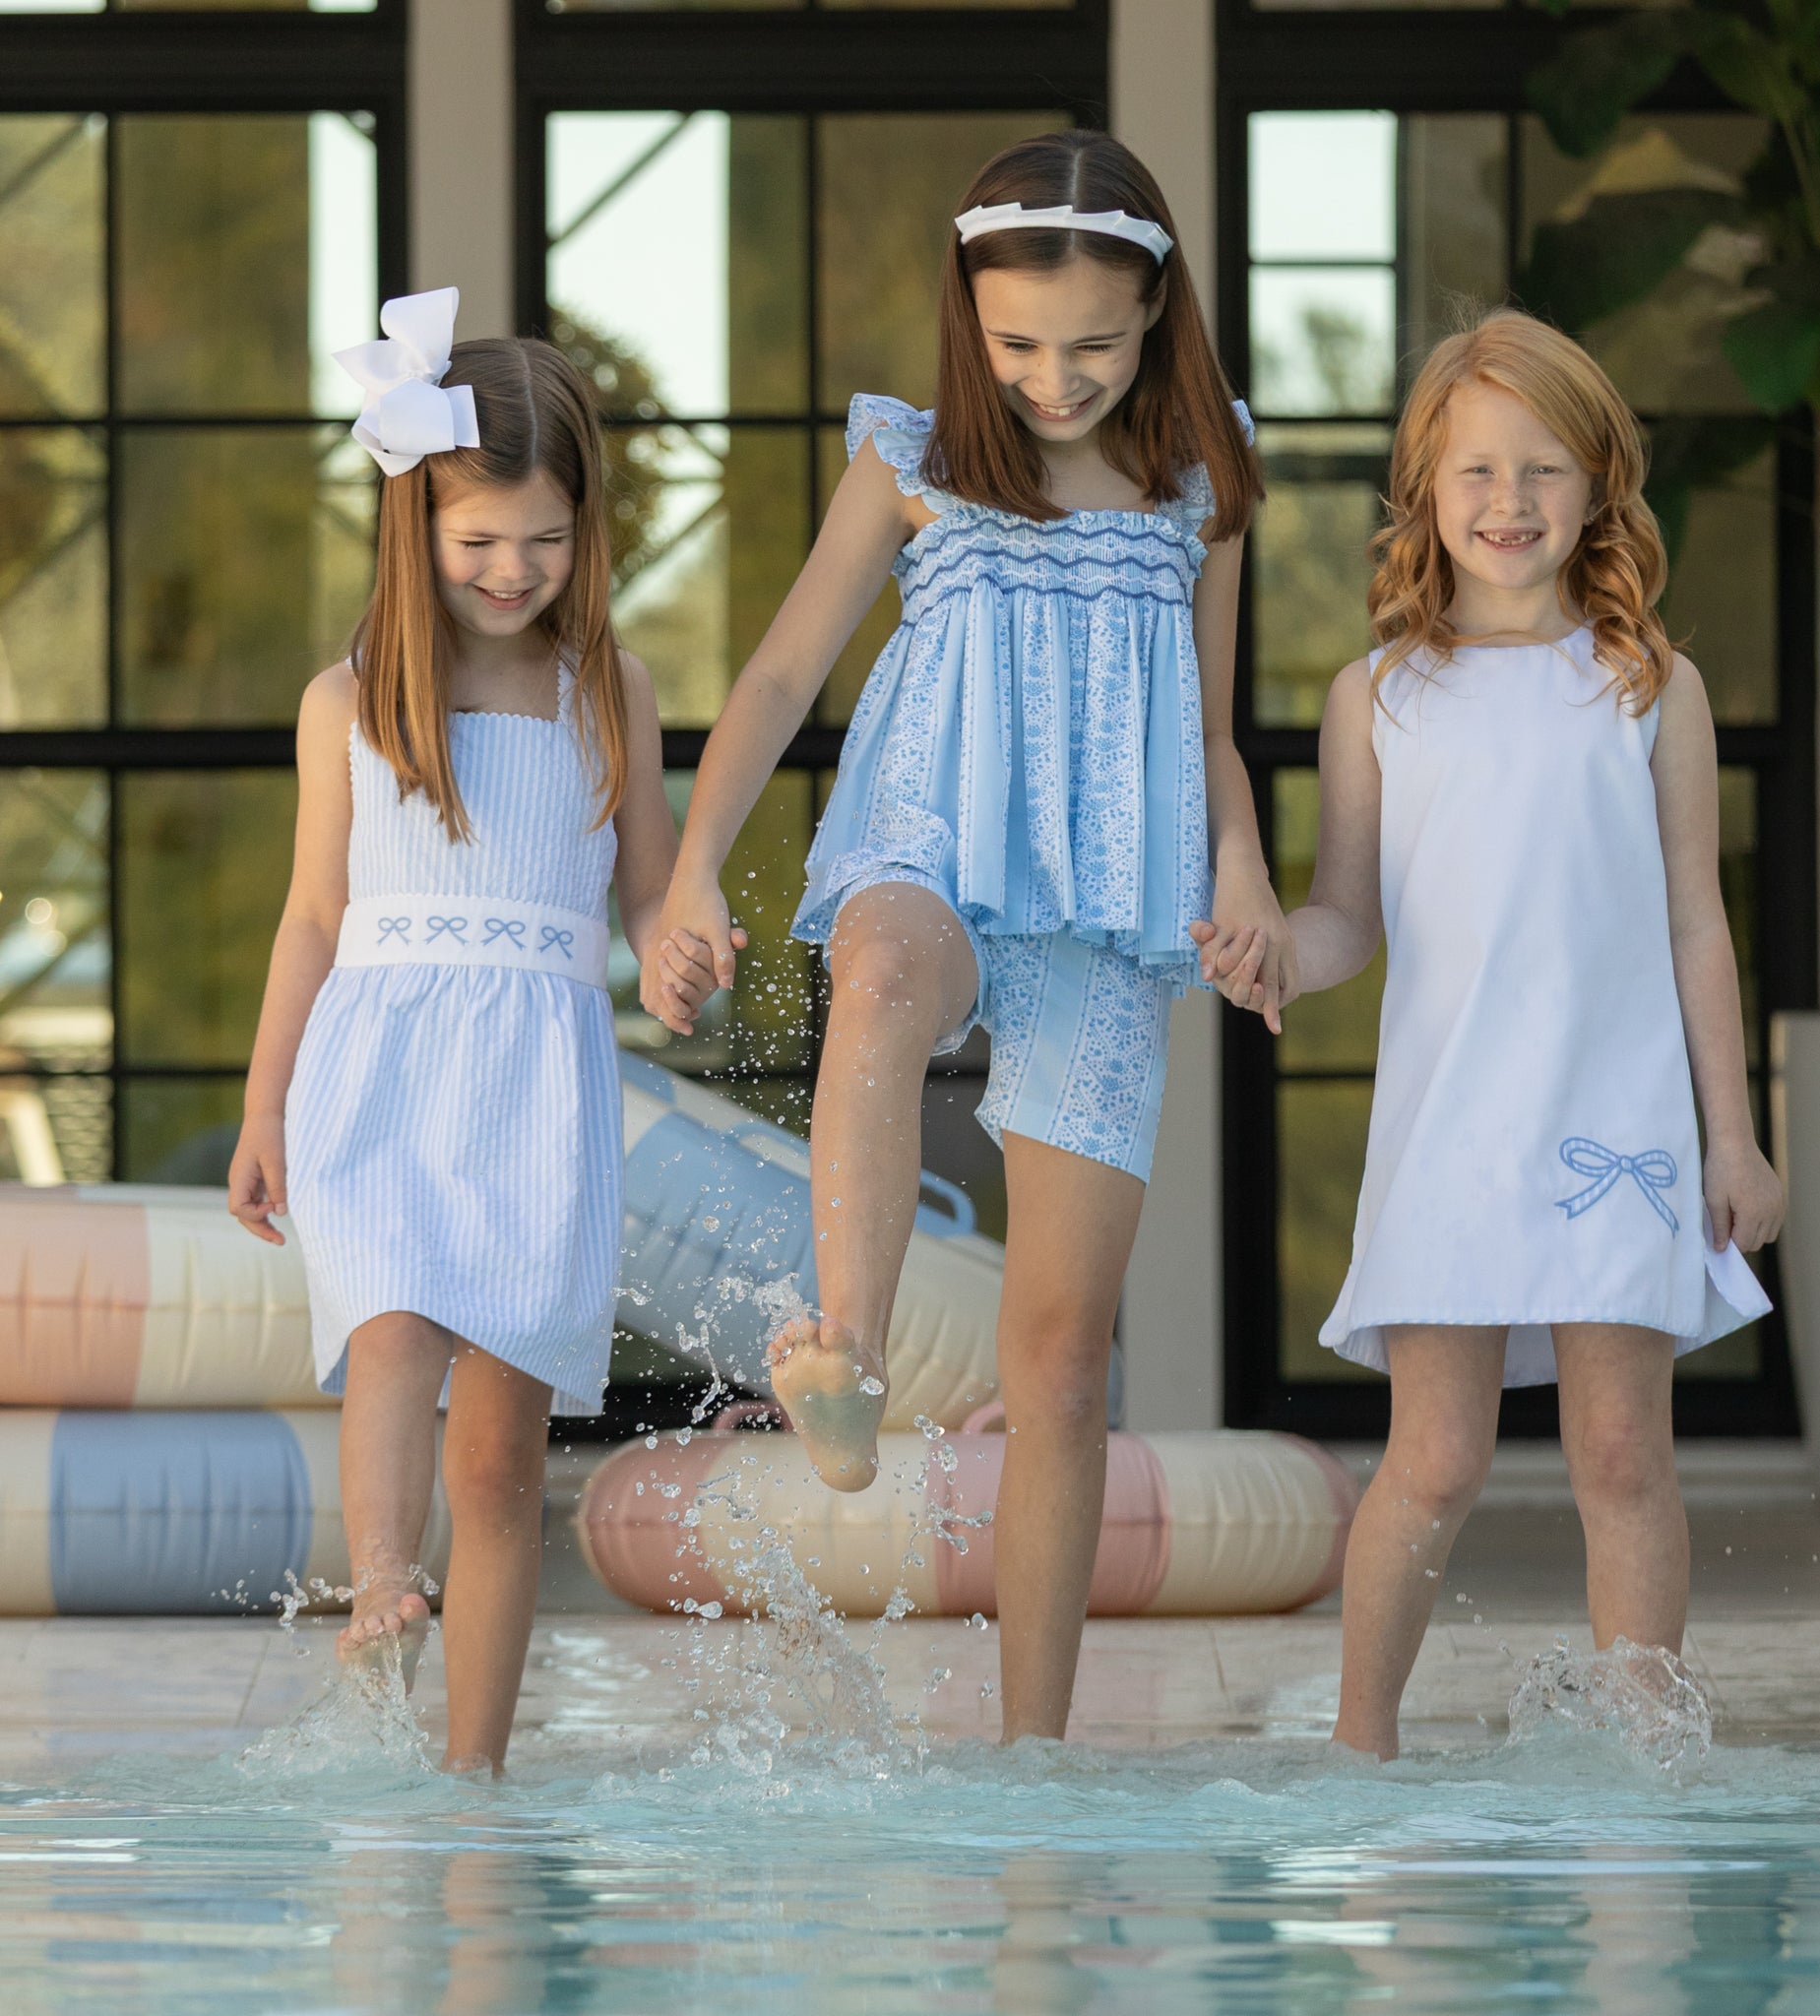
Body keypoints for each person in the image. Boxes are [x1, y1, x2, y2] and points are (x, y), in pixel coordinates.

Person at [652, 131, 1279, 1741]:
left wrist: (1251, 874)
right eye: (1016, 347)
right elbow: (786, 673)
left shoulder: (1198, 492)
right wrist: (692, 870)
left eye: (1093, 346)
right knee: (875, 973)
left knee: (1063, 1360)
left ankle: (1033, 1752)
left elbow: (1213, 733)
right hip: (926, 835)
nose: (1051, 380)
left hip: (1108, 906)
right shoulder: (915, 456)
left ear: (1158, 318)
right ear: (967, 321)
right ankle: (845, 1349)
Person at [1199, 309, 1783, 1759]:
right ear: (1425, 492)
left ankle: (1650, 1754)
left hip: (1620, 1125)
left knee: (1622, 1453)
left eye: (1543, 470)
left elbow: (1698, 921)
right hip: (1451, 1131)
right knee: (1438, 1455)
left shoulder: (1652, 688)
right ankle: (1359, 1747)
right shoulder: (1380, 696)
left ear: (1598, 489)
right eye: (1475, 472)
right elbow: (1347, 919)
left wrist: (1738, 1135)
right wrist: (1274, 946)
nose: (1508, 504)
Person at [227, 289, 687, 1775]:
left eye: (544, 542)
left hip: (536, 1092)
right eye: (478, 541)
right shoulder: (351, 701)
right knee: (390, 1341)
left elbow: (652, 898)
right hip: (380, 1067)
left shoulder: (610, 694)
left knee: (496, 1460)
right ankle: (378, 1591)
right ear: (415, 527)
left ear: (587, 536)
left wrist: (687, 958)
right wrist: (262, 1107)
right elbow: (311, 915)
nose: (511, 570)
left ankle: (475, 1769)